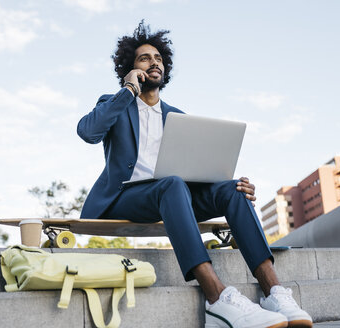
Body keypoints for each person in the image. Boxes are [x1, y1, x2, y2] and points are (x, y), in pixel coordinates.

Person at [77, 21, 313, 328]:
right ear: (130, 67)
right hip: (125, 197)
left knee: (232, 189)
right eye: (144, 58)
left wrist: (232, 185)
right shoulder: (114, 102)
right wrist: (128, 89)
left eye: (159, 58)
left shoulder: (178, 117)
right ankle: (217, 298)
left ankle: (274, 291)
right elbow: (88, 132)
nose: (154, 62)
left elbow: (198, 171)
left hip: (173, 196)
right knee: (172, 184)